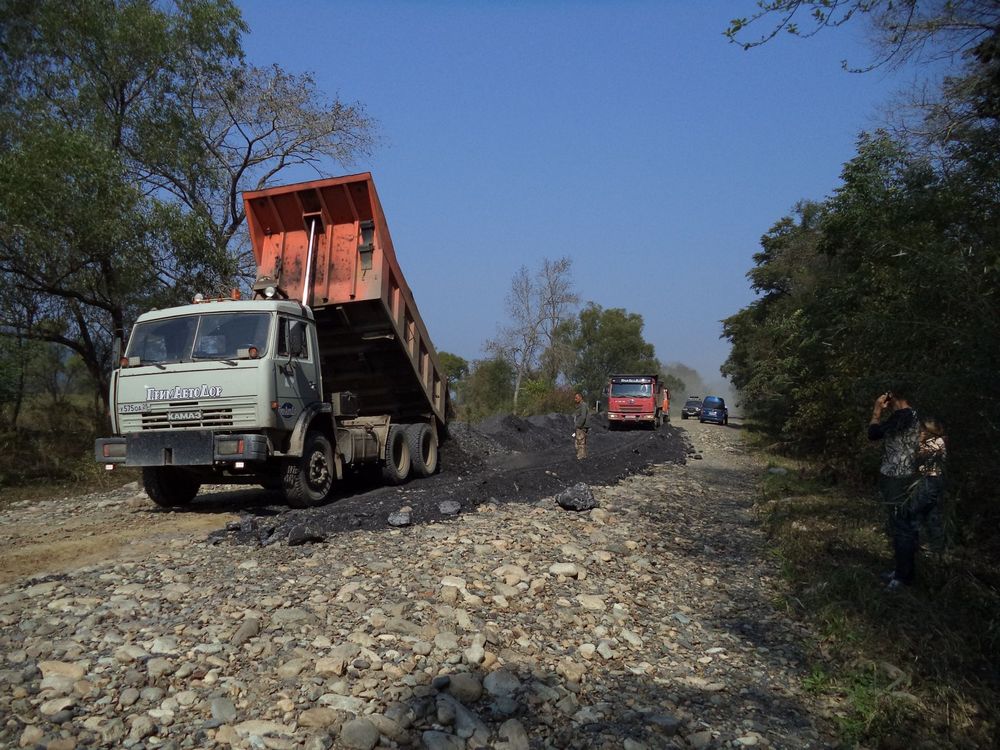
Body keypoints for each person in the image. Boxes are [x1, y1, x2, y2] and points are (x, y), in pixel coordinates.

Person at [868, 386, 920, 590]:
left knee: (900, 526)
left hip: (896, 477)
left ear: (892, 397)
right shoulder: (915, 415)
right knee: (907, 524)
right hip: (910, 475)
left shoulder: (901, 416)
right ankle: (902, 570)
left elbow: (873, 434)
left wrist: (876, 411)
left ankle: (903, 577)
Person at [913, 417, 947, 554]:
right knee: (932, 514)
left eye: (923, 431)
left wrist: (919, 442)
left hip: (931, 480)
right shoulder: (933, 442)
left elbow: (920, 455)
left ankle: (916, 543)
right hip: (930, 480)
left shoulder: (938, 442)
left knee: (916, 511)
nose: (920, 433)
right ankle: (936, 547)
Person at [573, 393, 590, 460]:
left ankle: (581, 456)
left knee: (580, 442)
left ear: (580, 397)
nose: (575, 399)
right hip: (581, 426)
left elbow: (583, 417)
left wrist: (578, 425)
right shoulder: (581, 405)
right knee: (581, 441)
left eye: (576, 398)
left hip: (581, 427)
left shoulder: (583, 405)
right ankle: (582, 455)